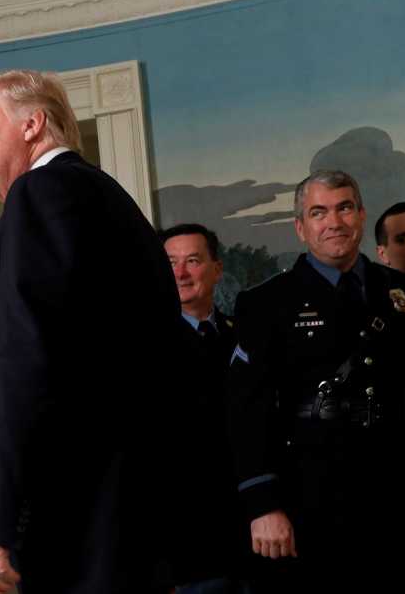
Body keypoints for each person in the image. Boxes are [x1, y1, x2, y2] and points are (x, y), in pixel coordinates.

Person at [0, 69, 195, 593]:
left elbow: (27, 361)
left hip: (75, 520)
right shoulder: (107, 199)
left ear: (32, 124)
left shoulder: (40, 193)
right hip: (128, 519)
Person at [226, 170, 405, 593]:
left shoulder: (404, 294)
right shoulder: (265, 304)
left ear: (360, 215)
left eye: (344, 208)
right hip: (311, 504)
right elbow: (248, 413)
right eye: (319, 212)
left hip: (399, 501)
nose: (333, 222)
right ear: (301, 227)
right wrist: (263, 505)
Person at [161, 223, 250, 594]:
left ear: (217, 269)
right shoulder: (140, 346)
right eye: (170, 263)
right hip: (183, 542)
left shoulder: (242, 335)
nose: (180, 273)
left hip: (249, 530)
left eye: (193, 261)